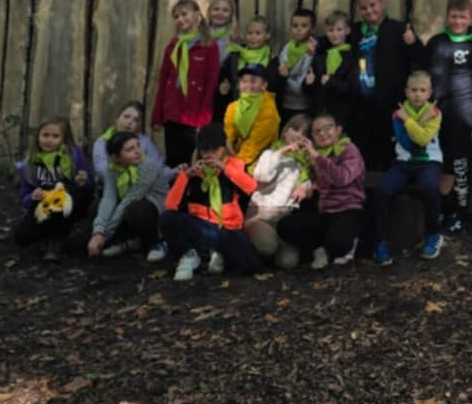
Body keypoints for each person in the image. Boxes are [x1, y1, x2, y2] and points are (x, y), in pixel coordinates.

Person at [425, 0, 472, 234]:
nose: (457, 22)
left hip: (462, 116)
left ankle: (460, 213)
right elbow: (422, 70)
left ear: (471, 18)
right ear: (447, 17)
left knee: (460, 164)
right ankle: (442, 209)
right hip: (435, 115)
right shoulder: (437, 43)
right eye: (454, 17)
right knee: (439, 162)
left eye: (462, 17)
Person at [159, 122, 261, 280]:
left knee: (250, 264)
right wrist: (185, 177)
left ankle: (214, 253)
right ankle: (191, 254)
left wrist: (224, 169)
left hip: (227, 229)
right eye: (205, 151)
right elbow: (171, 205)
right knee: (167, 218)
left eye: (214, 150)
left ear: (223, 148)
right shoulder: (194, 171)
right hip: (200, 226)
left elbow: (251, 186)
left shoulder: (235, 165)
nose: (208, 155)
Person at [371, 70, 444, 265]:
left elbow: (422, 140)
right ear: (406, 92)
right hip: (403, 162)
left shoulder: (434, 112)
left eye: (422, 90)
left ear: (429, 93)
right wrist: (416, 121)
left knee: (430, 188)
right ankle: (380, 241)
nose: (418, 94)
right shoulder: (398, 113)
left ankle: (434, 234)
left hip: (429, 160)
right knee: (383, 191)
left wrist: (409, 120)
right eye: (414, 90)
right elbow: (407, 143)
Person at [276, 111, 365, 270]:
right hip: (324, 211)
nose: (323, 134)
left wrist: (317, 158)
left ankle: (348, 242)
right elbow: (309, 177)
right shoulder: (313, 153)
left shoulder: (348, 149)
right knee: (286, 226)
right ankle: (319, 249)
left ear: (338, 129)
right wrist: (306, 185)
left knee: (338, 244)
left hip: (347, 209)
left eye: (327, 128)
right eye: (317, 131)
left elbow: (342, 178)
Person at [349, 0, 421, 171]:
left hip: (389, 101)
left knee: (386, 150)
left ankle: (385, 186)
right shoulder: (354, 32)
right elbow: (334, 41)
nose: (369, 11)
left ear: (382, 4)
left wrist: (413, 44)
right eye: (364, 8)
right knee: (362, 148)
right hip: (360, 102)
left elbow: (421, 58)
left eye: (373, 5)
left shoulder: (398, 29)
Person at [151, 0, 220, 168]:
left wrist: (204, 119)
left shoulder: (209, 46)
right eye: (176, 16)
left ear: (197, 16)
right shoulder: (173, 46)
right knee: (174, 162)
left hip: (193, 114)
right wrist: (157, 116)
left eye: (184, 14)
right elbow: (163, 81)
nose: (180, 19)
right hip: (172, 113)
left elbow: (211, 83)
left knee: (193, 161)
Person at [86, 129, 174, 261]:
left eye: (138, 146)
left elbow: (130, 199)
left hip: (155, 212)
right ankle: (127, 240)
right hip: (128, 207)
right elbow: (109, 199)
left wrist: (105, 235)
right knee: (97, 205)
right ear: (115, 157)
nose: (138, 151)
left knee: (136, 209)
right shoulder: (111, 170)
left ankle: (156, 243)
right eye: (130, 149)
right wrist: (98, 231)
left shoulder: (147, 165)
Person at [13, 117, 94, 261]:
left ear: (64, 139)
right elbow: (24, 196)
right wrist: (32, 197)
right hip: (43, 206)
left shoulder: (73, 156)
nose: (49, 140)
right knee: (22, 236)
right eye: (45, 135)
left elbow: (90, 184)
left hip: (69, 203)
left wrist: (82, 181)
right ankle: (45, 236)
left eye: (55, 136)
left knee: (61, 196)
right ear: (38, 137)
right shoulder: (30, 163)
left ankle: (56, 241)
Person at [245, 115, 313, 268]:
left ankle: (272, 249)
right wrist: (283, 150)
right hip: (262, 214)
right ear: (286, 131)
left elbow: (308, 182)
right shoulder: (270, 153)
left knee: (288, 263)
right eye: (295, 129)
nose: (298, 135)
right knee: (267, 247)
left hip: (284, 218)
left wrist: (304, 186)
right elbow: (261, 175)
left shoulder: (303, 162)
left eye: (304, 133)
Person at [90, 100, 161, 184]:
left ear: (139, 126)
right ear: (116, 119)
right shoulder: (102, 142)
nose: (130, 122)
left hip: (143, 185)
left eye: (136, 120)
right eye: (126, 117)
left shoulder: (145, 142)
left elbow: (159, 167)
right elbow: (102, 171)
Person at [223, 64, 280, 166]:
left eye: (253, 81)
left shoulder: (269, 110)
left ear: (264, 85)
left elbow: (253, 147)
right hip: (235, 156)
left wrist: (234, 165)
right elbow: (228, 137)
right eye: (244, 81)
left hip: (259, 162)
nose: (248, 85)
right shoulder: (232, 107)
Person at [219, 14, 274, 110]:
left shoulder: (271, 57)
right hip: (237, 105)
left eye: (258, 33)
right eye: (249, 33)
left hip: (261, 108)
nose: (253, 37)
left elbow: (273, 84)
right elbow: (225, 76)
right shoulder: (236, 54)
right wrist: (224, 85)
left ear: (267, 35)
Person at [275, 9, 319, 124]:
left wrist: (286, 78)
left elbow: (305, 78)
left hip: (303, 104)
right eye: (295, 26)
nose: (299, 29)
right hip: (284, 102)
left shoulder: (314, 51)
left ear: (312, 30)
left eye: (304, 26)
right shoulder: (286, 48)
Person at [316, 10, 358, 126]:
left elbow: (352, 87)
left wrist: (330, 81)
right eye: (331, 30)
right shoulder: (321, 56)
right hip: (322, 110)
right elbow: (315, 87)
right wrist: (309, 83)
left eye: (339, 30)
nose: (334, 34)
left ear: (347, 30)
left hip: (344, 111)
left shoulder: (352, 56)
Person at [207, 0, 243, 118]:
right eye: (216, 9)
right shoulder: (201, 35)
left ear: (231, 15)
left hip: (224, 88)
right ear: (209, 12)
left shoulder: (235, 38)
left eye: (225, 10)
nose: (220, 13)